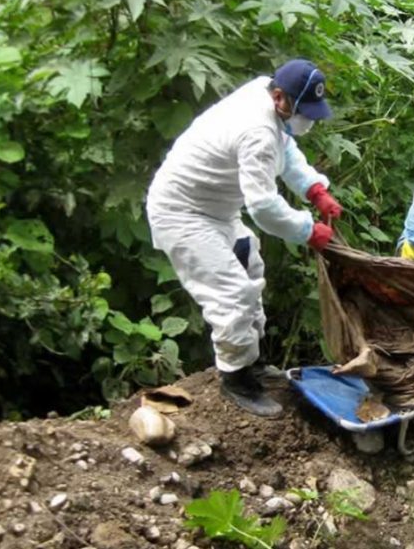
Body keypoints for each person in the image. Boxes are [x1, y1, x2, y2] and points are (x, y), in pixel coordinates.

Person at [146, 59, 342, 417]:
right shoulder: (257, 130)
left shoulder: (264, 93)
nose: (307, 120)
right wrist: (307, 230)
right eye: (302, 111)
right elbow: (264, 205)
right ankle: (236, 376)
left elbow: (287, 148)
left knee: (251, 266)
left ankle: (251, 360)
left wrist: (314, 188)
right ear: (279, 96)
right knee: (231, 292)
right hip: (182, 212)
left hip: (218, 210)